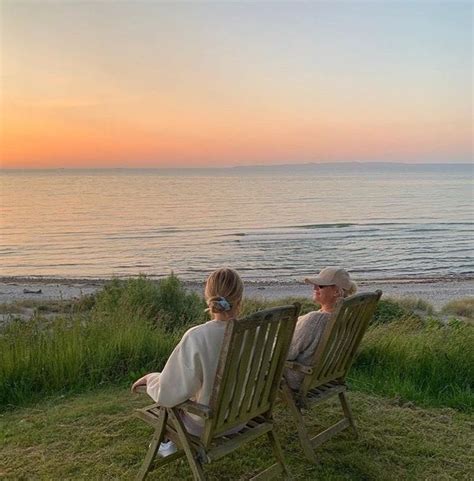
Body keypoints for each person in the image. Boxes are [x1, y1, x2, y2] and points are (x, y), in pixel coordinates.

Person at [131, 267, 244, 455]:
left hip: (207, 423)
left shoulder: (197, 337)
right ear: (240, 299)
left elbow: (169, 393)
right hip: (240, 417)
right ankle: (166, 443)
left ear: (208, 298)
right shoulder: (254, 331)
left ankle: (165, 442)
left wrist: (150, 379)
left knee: (172, 401)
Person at [286, 267, 357, 390]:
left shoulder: (316, 320)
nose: (314, 288)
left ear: (336, 292)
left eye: (321, 286)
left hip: (298, 376)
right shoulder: (348, 317)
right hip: (326, 375)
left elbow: (287, 354)